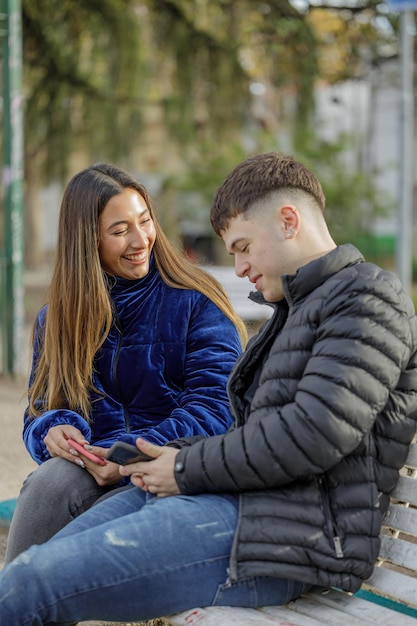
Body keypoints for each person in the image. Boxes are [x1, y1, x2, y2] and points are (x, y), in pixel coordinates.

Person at [1, 152, 417, 625]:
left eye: (242, 246)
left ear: (287, 221)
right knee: (29, 574)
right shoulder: (292, 312)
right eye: (120, 230)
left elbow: (313, 434)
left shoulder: (366, 297)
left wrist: (179, 464)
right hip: (233, 504)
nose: (237, 268)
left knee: (36, 585)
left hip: (283, 542)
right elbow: (250, 432)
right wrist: (151, 458)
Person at [5, 162, 246, 563]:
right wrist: (54, 429)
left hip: (171, 472)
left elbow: (216, 408)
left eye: (145, 221)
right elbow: (42, 407)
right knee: (48, 485)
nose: (141, 239)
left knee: (89, 534)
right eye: (119, 231)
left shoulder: (195, 301)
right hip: (93, 471)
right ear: (88, 243)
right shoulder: (57, 319)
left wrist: (127, 457)